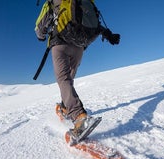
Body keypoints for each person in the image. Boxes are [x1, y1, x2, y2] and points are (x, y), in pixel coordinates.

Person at [35, 0, 120, 140]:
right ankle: (64, 106)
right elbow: (94, 21)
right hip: (79, 47)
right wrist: (108, 34)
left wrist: (41, 36)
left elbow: (39, 28)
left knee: (63, 79)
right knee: (69, 79)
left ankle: (80, 117)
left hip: (60, 42)